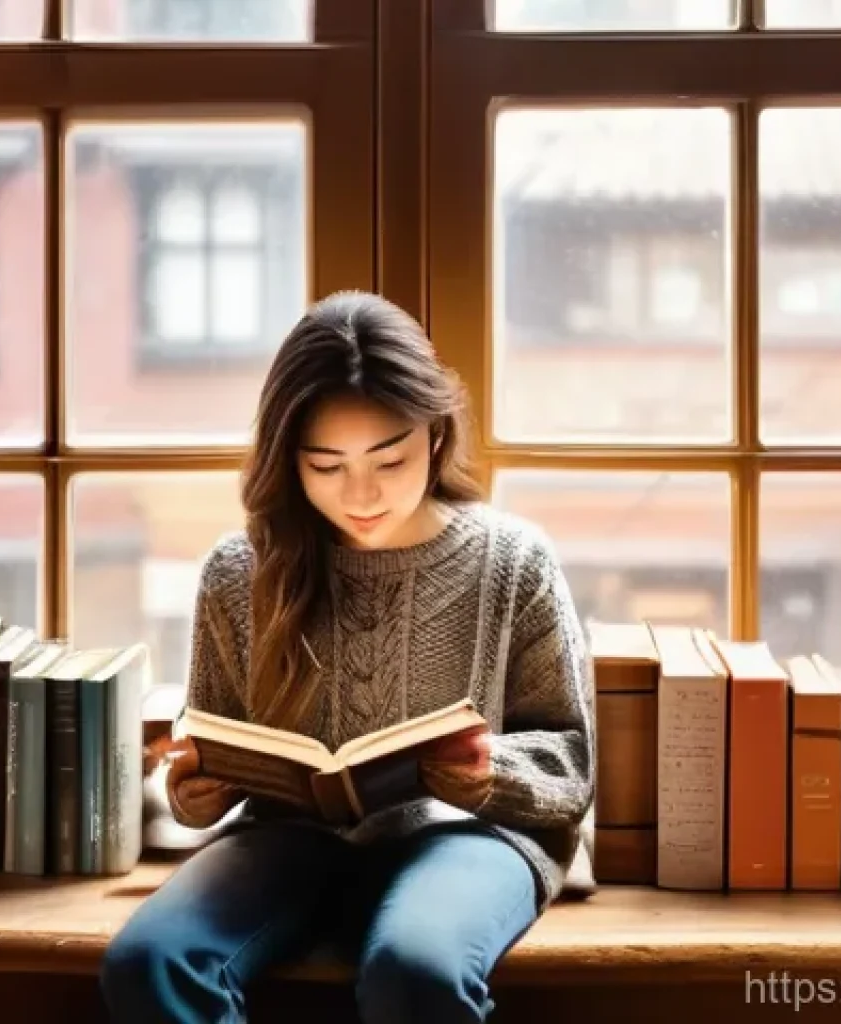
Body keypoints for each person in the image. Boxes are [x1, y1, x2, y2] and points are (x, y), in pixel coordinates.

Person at [100, 290, 595, 1024]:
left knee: (417, 970)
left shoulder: (512, 561)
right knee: (150, 962)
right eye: (325, 466)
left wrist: (489, 771)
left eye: (389, 459)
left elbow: (570, 761)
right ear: (289, 459)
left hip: (468, 836)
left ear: (435, 437)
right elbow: (212, 744)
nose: (360, 494)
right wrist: (195, 791)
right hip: (288, 837)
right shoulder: (239, 572)